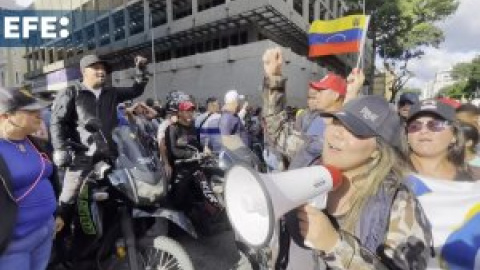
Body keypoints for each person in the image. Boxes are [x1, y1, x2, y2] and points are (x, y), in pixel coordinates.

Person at [289, 95, 432, 269]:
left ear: (377, 151)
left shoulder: (399, 204)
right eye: (336, 121)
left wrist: (335, 247)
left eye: (354, 130)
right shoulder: (308, 162)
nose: (337, 133)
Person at [50, 54, 149, 219]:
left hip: (111, 155)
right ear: (84, 72)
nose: (101, 71)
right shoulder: (71, 92)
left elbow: (136, 90)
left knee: (121, 194)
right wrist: (60, 148)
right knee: (68, 198)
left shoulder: (111, 92)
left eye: (103, 69)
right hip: (82, 157)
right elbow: (57, 122)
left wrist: (141, 70)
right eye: (96, 68)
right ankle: (62, 233)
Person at [405, 99, 480, 269]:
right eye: (415, 126)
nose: (423, 131)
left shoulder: (475, 180)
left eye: (435, 125)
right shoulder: (388, 177)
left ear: (454, 135)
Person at [262, 47, 365, 170]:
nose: (317, 94)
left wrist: (351, 96)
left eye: (322, 90)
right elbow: (278, 133)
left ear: (336, 95)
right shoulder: (311, 118)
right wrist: (274, 78)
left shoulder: (352, 133)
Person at [0, 87, 62, 270]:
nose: (40, 114)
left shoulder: (34, 142)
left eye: (39, 110)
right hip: (13, 245)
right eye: (30, 111)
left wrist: (55, 214)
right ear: (6, 116)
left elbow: (49, 179)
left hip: (44, 231)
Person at [165, 100, 202, 211]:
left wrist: (205, 150)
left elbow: (198, 145)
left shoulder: (194, 128)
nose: (190, 113)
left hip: (195, 168)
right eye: (187, 111)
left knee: (198, 198)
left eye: (191, 111)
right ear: (180, 113)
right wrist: (193, 154)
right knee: (179, 201)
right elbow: (174, 151)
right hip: (180, 170)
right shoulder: (173, 128)